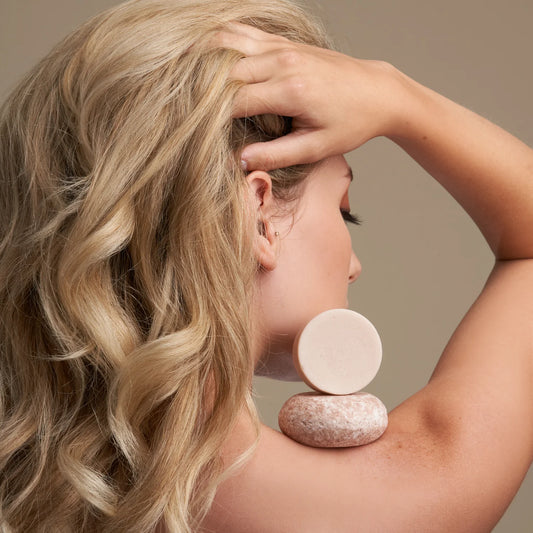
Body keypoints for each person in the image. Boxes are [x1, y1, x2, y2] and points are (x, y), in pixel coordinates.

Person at [0, 1, 531, 533]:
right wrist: (397, 96)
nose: (354, 267)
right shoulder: (345, 507)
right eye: (344, 210)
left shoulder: (33, 472)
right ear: (259, 217)